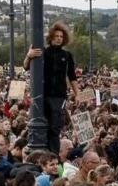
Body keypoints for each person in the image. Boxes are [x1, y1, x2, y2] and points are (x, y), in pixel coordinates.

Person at [24, 21, 79, 155]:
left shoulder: (66, 56)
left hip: (59, 96)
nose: (59, 38)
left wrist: (77, 93)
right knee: (42, 123)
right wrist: (29, 55)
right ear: (51, 37)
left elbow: (72, 76)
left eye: (61, 36)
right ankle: (41, 153)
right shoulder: (43, 52)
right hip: (43, 93)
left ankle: (52, 154)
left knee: (55, 127)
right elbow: (26, 66)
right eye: (56, 36)